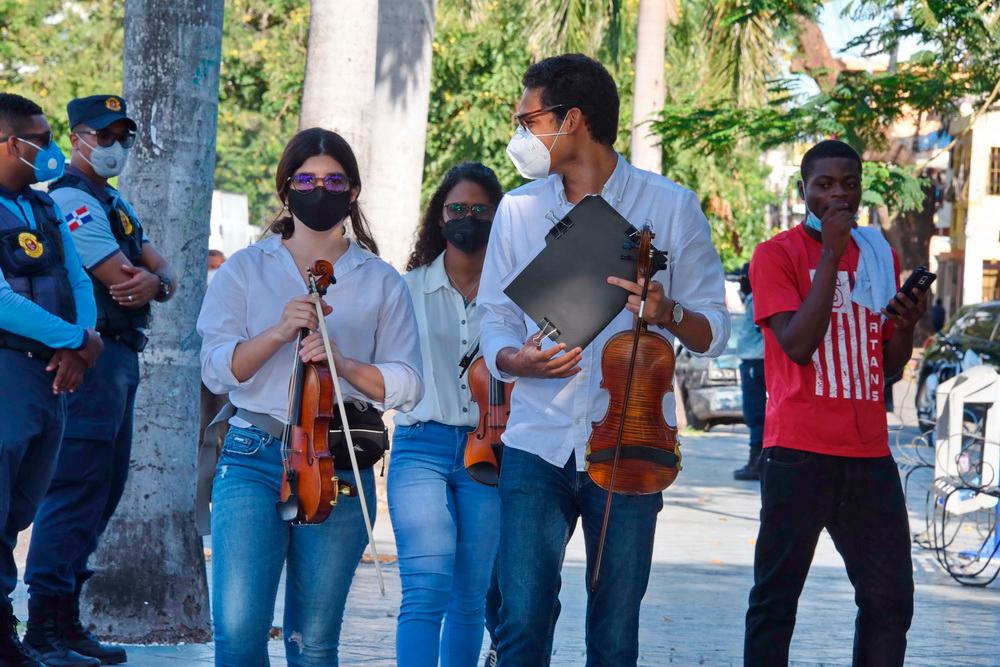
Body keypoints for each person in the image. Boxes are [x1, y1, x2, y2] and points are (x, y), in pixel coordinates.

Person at [478, 54, 729, 666]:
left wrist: (667, 313)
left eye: (528, 119)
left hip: (630, 443)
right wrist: (513, 360)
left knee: (614, 634)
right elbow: (494, 316)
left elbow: (714, 330)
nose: (520, 134)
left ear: (574, 121)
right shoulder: (517, 210)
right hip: (537, 442)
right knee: (520, 625)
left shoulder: (670, 206)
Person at [197, 127, 423, 667]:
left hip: (339, 459)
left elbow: (409, 383)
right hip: (253, 453)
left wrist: (342, 363)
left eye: (333, 179)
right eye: (305, 178)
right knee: (238, 633)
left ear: (353, 191)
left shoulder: (380, 280)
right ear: (286, 189)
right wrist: (278, 333)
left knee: (315, 642)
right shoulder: (247, 270)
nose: (318, 188)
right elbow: (215, 370)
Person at [744, 140, 925, 666]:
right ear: (803, 191)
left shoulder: (879, 254)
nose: (838, 194)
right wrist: (829, 253)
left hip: (868, 454)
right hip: (798, 452)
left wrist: (906, 323)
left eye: (849, 182)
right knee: (776, 602)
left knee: (890, 600)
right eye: (824, 184)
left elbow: (887, 365)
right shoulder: (776, 255)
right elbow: (798, 345)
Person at [23, 94, 175, 666]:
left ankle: (67, 620)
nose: (114, 147)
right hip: (93, 357)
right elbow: (118, 276)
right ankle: (44, 626)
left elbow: (163, 271)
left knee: (101, 491)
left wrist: (157, 281)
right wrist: (151, 279)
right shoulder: (70, 200)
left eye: (122, 136)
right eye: (103, 135)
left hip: (119, 359)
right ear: (77, 136)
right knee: (76, 489)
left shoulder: (114, 200)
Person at [0, 92, 103, 667]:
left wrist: (83, 345)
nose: (52, 146)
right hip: (7, 369)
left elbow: (79, 281)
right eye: (40, 136)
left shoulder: (47, 208)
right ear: (12, 143)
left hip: (52, 378)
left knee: (19, 512)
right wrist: (73, 341)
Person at [388, 162, 503, 667]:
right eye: (458, 208)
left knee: (470, 597)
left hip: (493, 450)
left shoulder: (515, 294)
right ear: (440, 216)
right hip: (421, 447)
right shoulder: (406, 289)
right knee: (426, 589)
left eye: (481, 209)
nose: (468, 218)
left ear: (497, 217)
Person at [732, 263, 767, 481]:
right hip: (753, 360)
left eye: (743, 280)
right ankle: (758, 459)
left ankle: (758, 461)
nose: (740, 285)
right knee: (755, 413)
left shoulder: (757, 299)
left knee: (755, 413)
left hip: (756, 360)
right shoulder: (753, 298)